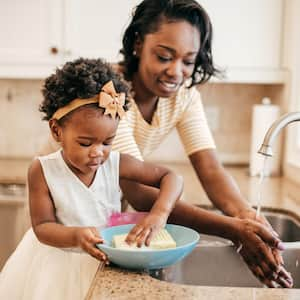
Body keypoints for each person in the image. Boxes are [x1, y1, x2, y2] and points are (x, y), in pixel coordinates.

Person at [38, 0, 292, 288]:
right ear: (138, 44)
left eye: (188, 60)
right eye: (163, 56)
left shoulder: (184, 97)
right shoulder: (107, 95)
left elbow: (210, 169)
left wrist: (246, 216)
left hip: (105, 208)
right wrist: (233, 229)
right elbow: (141, 193)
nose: (176, 71)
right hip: (64, 212)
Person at [0, 58, 183, 299]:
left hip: (105, 263)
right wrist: (76, 235)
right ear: (57, 131)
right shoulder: (42, 170)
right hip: (57, 268)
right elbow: (42, 227)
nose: (98, 151)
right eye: (86, 143)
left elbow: (171, 177)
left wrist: (159, 213)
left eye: (107, 142)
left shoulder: (115, 163)